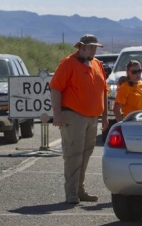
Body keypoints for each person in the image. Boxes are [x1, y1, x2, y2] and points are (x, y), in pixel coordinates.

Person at [49, 34, 108, 205]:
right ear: (80, 47)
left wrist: (105, 116)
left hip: (93, 117)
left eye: (95, 47)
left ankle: (80, 190)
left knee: (86, 154)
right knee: (73, 155)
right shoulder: (68, 63)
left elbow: (103, 91)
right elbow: (55, 88)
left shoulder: (97, 64)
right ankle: (71, 193)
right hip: (74, 116)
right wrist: (57, 114)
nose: (93, 50)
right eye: (90, 47)